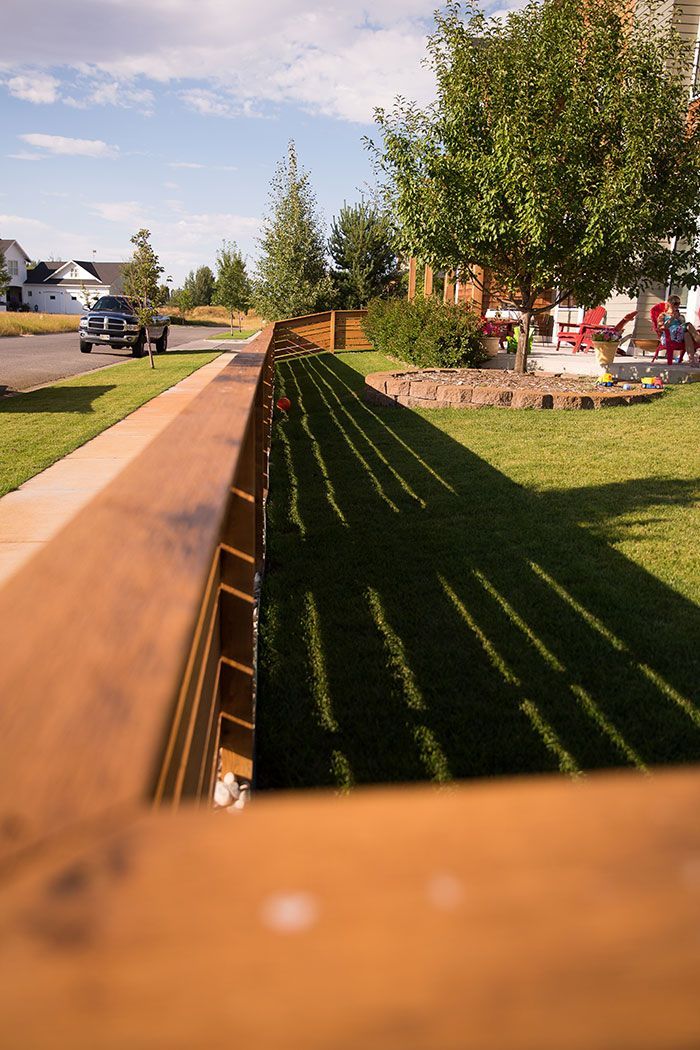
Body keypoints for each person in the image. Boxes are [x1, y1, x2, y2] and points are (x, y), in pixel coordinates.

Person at [657, 295, 700, 366]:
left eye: (678, 303)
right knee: (688, 325)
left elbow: (683, 327)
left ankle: (691, 361)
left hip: (679, 336)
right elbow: (661, 328)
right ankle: (698, 340)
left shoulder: (681, 316)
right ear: (669, 303)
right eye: (675, 303)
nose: (677, 305)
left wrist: (680, 319)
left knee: (687, 335)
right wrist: (672, 318)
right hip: (669, 336)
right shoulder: (663, 315)